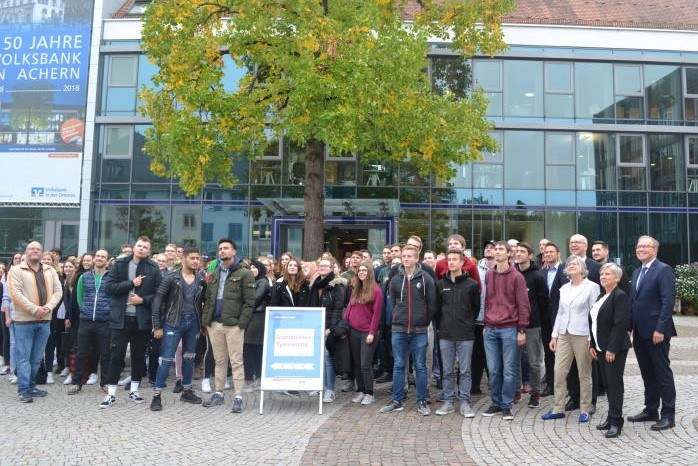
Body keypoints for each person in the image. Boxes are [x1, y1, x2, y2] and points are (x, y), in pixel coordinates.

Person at [101, 236, 161, 408]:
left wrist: (141, 300)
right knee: (116, 356)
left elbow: (158, 295)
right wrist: (131, 283)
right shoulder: (119, 264)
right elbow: (109, 288)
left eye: (145, 247)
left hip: (141, 321)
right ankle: (111, 394)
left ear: (149, 251)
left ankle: (134, 390)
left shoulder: (153, 267)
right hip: (120, 319)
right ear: (134, 247)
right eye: (139, 245)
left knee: (138, 356)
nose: (141, 249)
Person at [627, 236, 677, 431]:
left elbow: (668, 302)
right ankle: (650, 410)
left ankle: (668, 415)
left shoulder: (663, 270)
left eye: (646, 246)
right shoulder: (638, 271)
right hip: (640, 332)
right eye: (639, 246)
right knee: (647, 373)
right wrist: (629, 327)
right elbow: (634, 302)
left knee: (662, 373)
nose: (641, 249)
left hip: (657, 332)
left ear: (655, 250)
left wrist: (660, 329)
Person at [541, 255, 600, 423]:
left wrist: (592, 339)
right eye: (569, 264)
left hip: (582, 335)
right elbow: (560, 312)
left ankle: (585, 409)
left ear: (582, 268)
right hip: (564, 335)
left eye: (575, 263)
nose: (572, 265)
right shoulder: (564, 288)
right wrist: (555, 335)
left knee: (584, 373)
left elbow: (593, 315)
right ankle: (558, 408)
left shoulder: (592, 287)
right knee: (559, 372)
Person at [380, 245, 436, 416]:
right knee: (398, 365)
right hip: (399, 329)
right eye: (404, 256)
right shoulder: (395, 280)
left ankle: (422, 400)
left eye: (409, 256)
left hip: (419, 330)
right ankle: (397, 400)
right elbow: (393, 303)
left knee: (419, 366)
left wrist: (424, 321)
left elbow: (432, 304)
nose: (406, 259)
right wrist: (398, 318)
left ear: (416, 258)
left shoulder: (426, 279)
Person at [201, 238, 255, 413]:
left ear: (234, 251)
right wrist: (206, 322)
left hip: (234, 326)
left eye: (226, 248)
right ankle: (219, 393)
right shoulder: (215, 271)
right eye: (220, 249)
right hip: (215, 324)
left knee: (236, 361)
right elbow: (209, 299)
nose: (222, 251)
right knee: (220, 361)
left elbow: (249, 302)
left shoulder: (245, 273)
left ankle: (238, 397)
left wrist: (241, 324)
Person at [149, 248, 206, 411]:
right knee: (166, 360)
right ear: (184, 259)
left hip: (193, 323)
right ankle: (156, 395)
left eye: (197, 258)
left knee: (189, 357)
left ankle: (186, 390)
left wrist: (203, 324)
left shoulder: (200, 279)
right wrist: (157, 325)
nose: (195, 261)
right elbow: (157, 301)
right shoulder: (171, 277)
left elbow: (204, 303)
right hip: (173, 323)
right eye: (192, 258)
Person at [7, 241, 63, 403]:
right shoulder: (16, 270)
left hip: (44, 320)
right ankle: (24, 390)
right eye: (32, 249)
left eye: (38, 249)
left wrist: (48, 308)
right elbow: (15, 294)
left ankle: (31, 386)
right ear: (26, 252)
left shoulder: (50, 270)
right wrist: (34, 309)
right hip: (24, 321)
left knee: (37, 358)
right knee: (23, 357)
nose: (35, 251)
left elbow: (58, 291)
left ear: (42, 253)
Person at [481, 241, 530, 421]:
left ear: (509, 254)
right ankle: (496, 402)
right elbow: (487, 301)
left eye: (501, 249)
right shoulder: (489, 275)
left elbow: (524, 305)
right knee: (494, 370)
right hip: (491, 328)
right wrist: (486, 324)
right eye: (496, 249)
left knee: (509, 370)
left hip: (510, 328)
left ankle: (507, 405)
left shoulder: (517, 277)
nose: (498, 251)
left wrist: (522, 329)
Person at [434, 249, 479, 417]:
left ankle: (465, 402)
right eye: (449, 260)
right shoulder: (440, 284)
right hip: (445, 334)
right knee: (447, 370)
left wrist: (467, 324)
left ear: (462, 263)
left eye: (455, 260)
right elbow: (437, 310)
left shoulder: (472, 285)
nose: (451, 262)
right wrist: (441, 326)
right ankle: (448, 401)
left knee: (465, 370)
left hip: (465, 334)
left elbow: (475, 309)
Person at [589, 263, 631, 438]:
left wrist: (611, 349)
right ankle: (610, 417)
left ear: (617, 278)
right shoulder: (601, 296)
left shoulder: (619, 296)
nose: (603, 276)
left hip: (614, 348)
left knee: (614, 384)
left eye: (608, 274)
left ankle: (616, 421)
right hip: (599, 348)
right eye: (602, 274)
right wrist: (592, 344)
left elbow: (620, 324)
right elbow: (594, 322)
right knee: (607, 384)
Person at [68, 249, 111, 395]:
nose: (99, 259)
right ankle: (77, 383)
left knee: (105, 353)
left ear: (107, 260)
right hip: (86, 320)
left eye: (103, 257)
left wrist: (107, 310)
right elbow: (79, 297)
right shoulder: (84, 277)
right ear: (94, 259)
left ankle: (105, 383)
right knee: (81, 353)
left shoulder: (111, 277)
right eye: (97, 256)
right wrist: (85, 310)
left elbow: (114, 297)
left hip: (104, 321)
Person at [514, 242, 549, 408]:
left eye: (522, 251)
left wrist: (537, 322)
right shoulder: (511, 273)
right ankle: (516, 390)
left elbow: (544, 302)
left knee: (534, 362)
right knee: (513, 360)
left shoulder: (537, 276)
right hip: (512, 324)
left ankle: (535, 393)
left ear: (530, 255)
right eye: (517, 251)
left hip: (533, 326)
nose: (518, 254)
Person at [308, 258, 347, 403]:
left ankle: (330, 390)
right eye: (321, 265)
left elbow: (338, 308)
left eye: (326, 265)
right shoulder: (315, 283)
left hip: (328, 327)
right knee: (318, 359)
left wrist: (330, 327)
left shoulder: (337, 284)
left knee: (327, 358)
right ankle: (319, 386)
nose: (323, 267)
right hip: (315, 325)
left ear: (331, 268)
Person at [345, 261, 382, 406]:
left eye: (364, 270)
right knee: (357, 363)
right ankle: (360, 390)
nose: (361, 272)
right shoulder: (356, 289)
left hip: (367, 332)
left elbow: (377, 314)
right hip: (353, 331)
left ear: (370, 272)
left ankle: (369, 393)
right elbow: (349, 309)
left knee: (365, 364)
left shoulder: (376, 290)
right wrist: (345, 325)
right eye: (359, 270)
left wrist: (372, 333)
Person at [243, 259, 272, 392]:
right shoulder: (253, 281)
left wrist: (243, 303)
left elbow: (255, 299)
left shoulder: (263, 281)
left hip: (258, 316)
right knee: (252, 349)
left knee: (251, 348)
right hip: (251, 316)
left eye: (255, 267)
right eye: (251, 267)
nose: (252, 270)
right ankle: (255, 378)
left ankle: (253, 379)